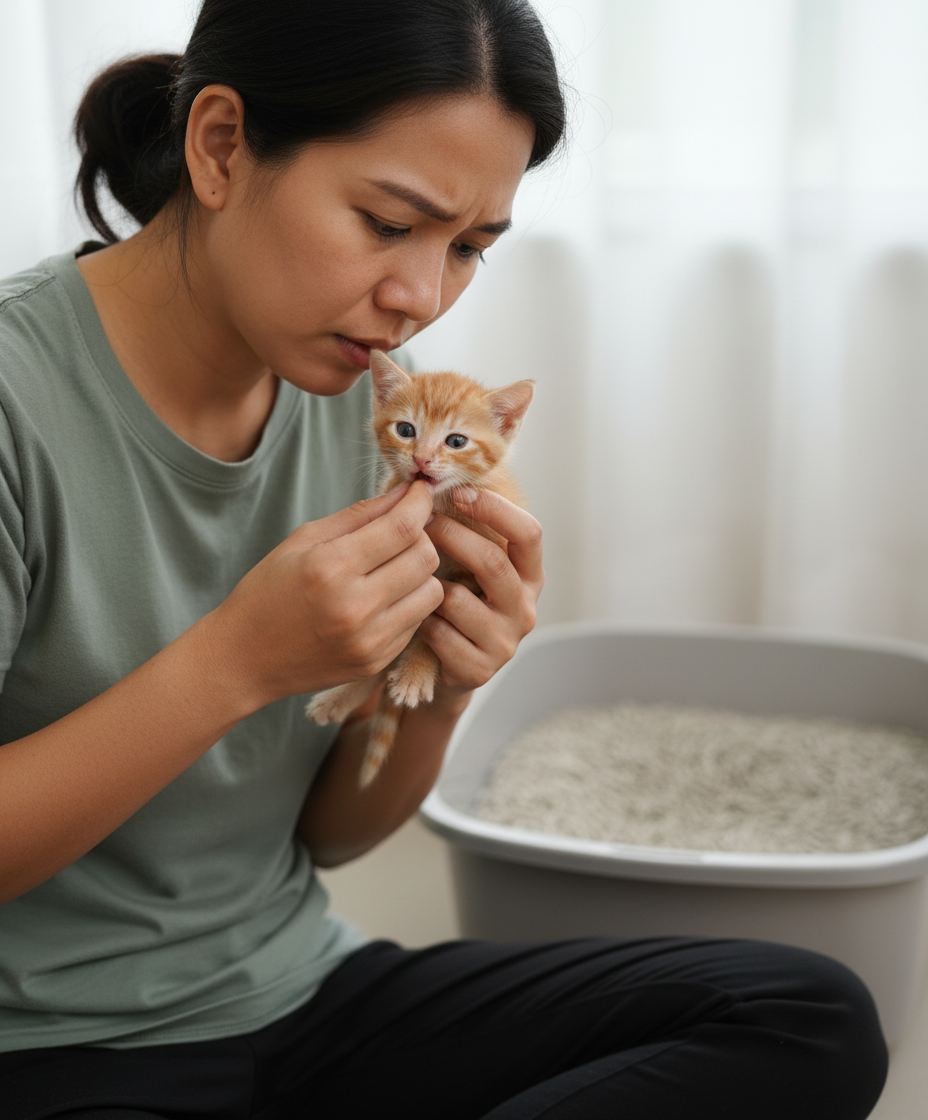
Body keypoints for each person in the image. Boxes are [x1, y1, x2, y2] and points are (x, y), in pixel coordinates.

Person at [0, 1, 888, 1116]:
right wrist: (234, 662)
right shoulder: (14, 403)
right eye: (385, 223)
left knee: (806, 1015)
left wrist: (441, 690)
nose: (420, 296)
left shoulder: (370, 390)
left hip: (300, 992)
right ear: (220, 146)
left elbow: (328, 837)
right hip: (47, 1047)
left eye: (466, 248)